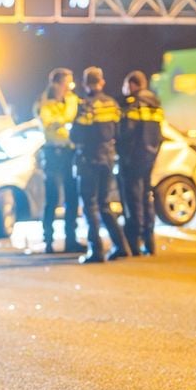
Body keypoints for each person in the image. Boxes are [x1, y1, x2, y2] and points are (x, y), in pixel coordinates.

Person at [70, 66, 129, 264]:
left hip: (89, 160)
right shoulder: (112, 104)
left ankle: (96, 251)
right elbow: (119, 132)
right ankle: (121, 246)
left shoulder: (86, 106)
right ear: (101, 82)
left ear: (85, 84)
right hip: (108, 159)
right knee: (104, 204)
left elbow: (76, 135)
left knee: (90, 205)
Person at [33, 68, 85, 254]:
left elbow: (74, 118)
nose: (69, 87)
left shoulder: (72, 99)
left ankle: (71, 239)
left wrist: (62, 120)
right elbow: (48, 122)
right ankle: (48, 241)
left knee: (72, 198)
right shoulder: (44, 102)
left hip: (69, 152)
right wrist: (64, 119)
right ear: (56, 83)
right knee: (52, 198)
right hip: (52, 153)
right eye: (66, 83)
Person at [117, 70, 165, 256]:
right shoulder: (155, 104)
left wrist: (123, 154)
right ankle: (149, 240)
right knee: (147, 198)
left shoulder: (134, 104)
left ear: (132, 85)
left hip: (133, 159)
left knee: (133, 200)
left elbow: (126, 133)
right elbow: (159, 134)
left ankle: (134, 242)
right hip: (149, 157)